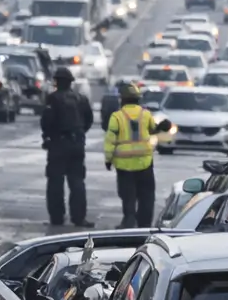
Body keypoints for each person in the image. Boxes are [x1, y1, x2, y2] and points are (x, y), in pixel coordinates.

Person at [103, 80, 172, 228]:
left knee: (128, 196)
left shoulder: (117, 117)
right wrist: (163, 126)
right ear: (138, 98)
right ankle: (144, 225)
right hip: (144, 163)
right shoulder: (145, 114)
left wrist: (108, 159)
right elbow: (154, 130)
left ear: (122, 99)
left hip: (124, 165)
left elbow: (110, 140)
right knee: (146, 196)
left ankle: (128, 222)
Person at [41, 65, 94, 227]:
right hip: (77, 144)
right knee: (77, 182)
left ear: (57, 82)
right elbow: (89, 120)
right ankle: (79, 218)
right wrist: (78, 133)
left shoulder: (53, 98)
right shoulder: (81, 98)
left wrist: (49, 137)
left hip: (58, 144)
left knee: (55, 182)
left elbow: (47, 121)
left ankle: (57, 218)